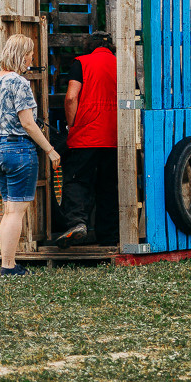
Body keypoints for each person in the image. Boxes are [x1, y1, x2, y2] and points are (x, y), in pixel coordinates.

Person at [0, 33, 61, 276]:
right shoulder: (19, 83)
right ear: (21, 55)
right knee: (15, 212)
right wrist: (49, 150)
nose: (32, 58)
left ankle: (8, 262)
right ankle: (8, 266)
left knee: (9, 210)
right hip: (18, 150)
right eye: (30, 54)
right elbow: (28, 123)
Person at [54, 31, 119, 248]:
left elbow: (72, 96)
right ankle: (108, 237)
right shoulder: (121, 64)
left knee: (77, 180)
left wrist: (71, 125)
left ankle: (76, 223)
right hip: (114, 137)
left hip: (86, 136)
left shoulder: (81, 62)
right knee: (108, 186)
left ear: (88, 46)